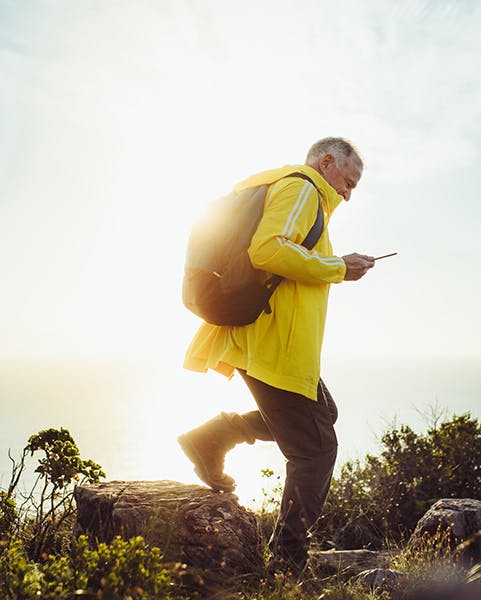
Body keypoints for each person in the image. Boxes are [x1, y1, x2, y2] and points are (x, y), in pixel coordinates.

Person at [179, 136, 374, 573]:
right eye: (349, 180)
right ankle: (287, 558)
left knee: (325, 415)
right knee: (316, 451)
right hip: (272, 340)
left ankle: (215, 436)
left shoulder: (293, 189)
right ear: (327, 163)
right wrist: (339, 267)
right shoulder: (304, 187)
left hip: (267, 338)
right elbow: (267, 249)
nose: (349, 192)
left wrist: (335, 266)